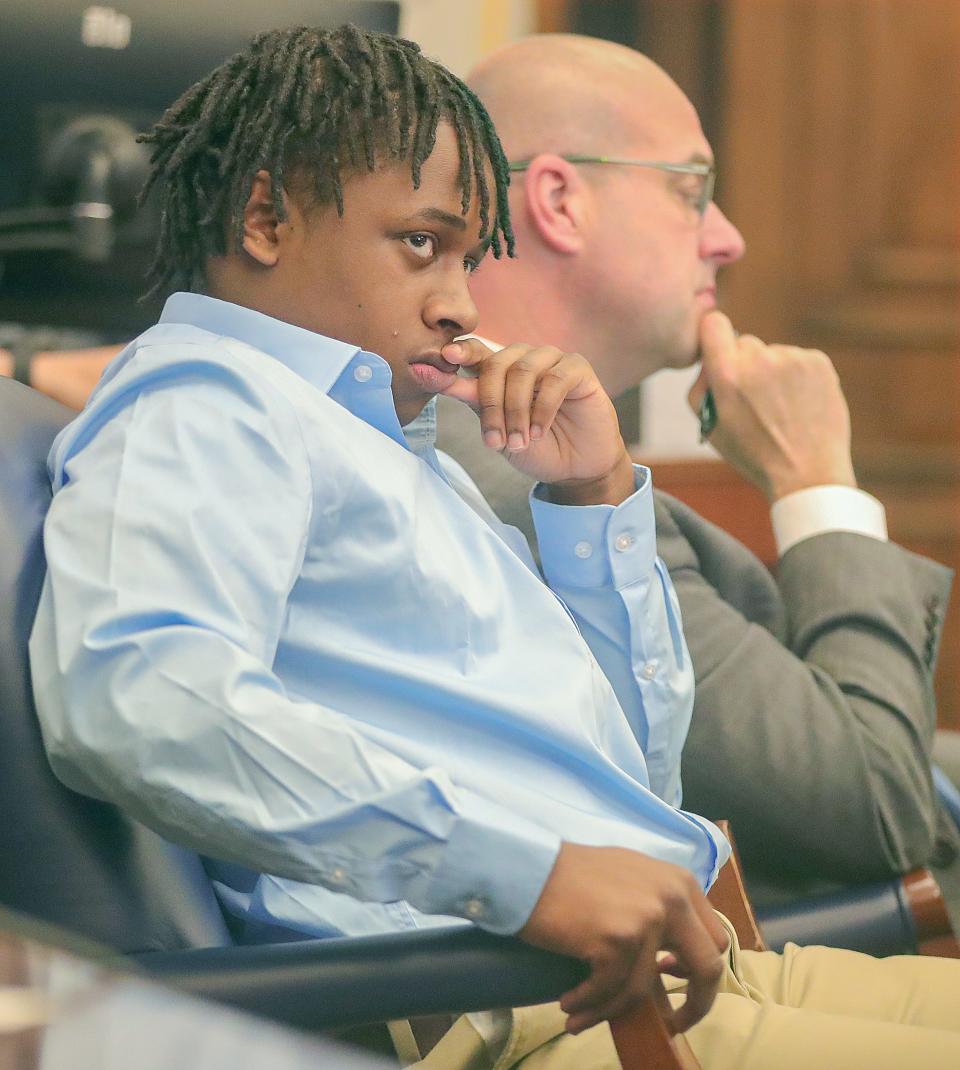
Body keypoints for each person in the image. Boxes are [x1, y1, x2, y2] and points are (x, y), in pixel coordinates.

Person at [25, 24, 960, 1070]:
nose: (461, 302)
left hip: (680, 965)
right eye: (421, 243)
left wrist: (591, 501)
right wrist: (536, 871)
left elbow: (630, 782)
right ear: (264, 216)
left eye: (470, 257)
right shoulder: (212, 403)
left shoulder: (388, 440)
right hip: (521, 1008)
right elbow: (140, 694)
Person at [432, 32, 959, 910]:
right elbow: (872, 808)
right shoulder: (533, 488)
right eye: (692, 191)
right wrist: (817, 480)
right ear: (560, 200)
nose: (730, 238)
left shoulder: (513, 449)